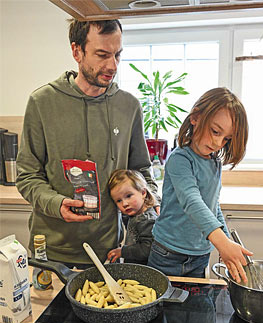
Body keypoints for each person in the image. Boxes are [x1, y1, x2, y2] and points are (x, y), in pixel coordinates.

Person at [16, 19, 159, 267]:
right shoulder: (42, 102)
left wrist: (152, 200)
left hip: (107, 250)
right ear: (77, 51)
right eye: (102, 55)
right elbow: (27, 176)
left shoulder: (129, 106)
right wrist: (56, 203)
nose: (112, 65)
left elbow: (142, 171)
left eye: (117, 55)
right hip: (51, 251)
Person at [147, 87, 251, 283]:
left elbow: (211, 207)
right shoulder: (180, 159)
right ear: (195, 117)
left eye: (226, 138)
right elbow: (191, 201)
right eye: (215, 131)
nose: (218, 142)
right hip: (167, 253)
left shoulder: (214, 163)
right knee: (162, 310)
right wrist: (221, 243)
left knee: (192, 311)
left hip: (200, 255)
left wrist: (226, 241)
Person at [107, 169, 158, 265]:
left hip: (146, 269)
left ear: (143, 193)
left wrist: (122, 251)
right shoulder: (135, 214)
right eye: (118, 201)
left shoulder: (147, 220)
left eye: (128, 196)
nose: (124, 203)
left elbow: (148, 249)